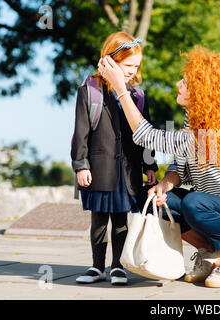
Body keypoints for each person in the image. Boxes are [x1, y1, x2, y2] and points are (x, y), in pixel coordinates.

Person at [98, 46, 220, 288]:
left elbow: (147, 137)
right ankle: (209, 252)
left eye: (185, 82)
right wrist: (164, 185)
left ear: (201, 90)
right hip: (208, 209)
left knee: (194, 202)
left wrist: (121, 90)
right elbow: (181, 166)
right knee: (154, 196)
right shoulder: (194, 121)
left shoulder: (215, 134)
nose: (178, 84)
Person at [71, 31, 158, 286]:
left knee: (121, 220)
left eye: (137, 66)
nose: (133, 70)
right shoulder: (89, 90)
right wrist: (80, 165)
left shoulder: (139, 96)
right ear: (112, 61)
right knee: (98, 219)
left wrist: (150, 165)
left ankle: (117, 266)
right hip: (98, 168)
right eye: (128, 65)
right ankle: (97, 266)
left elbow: (146, 133)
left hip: (127, 170)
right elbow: (80, 132)